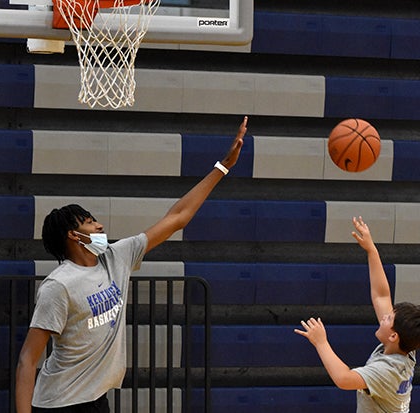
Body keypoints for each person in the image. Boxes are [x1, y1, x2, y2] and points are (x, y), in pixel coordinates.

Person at [15, 116, 248, 413]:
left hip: (95, 399)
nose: (100, 226)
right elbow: (27, 359)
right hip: (60, 403)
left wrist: (223, 166)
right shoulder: (59, 286)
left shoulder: (117, 256)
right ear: (74, 236)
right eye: (90, 222)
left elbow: (177, 218)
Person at [294, 216, 420, 413]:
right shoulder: (405, 346)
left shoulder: (387, 371)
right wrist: (371, 250)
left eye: (389, 318)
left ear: (393, 335)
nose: (384, 316)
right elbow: (381, 296)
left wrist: (321, 342)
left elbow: (344, 379)